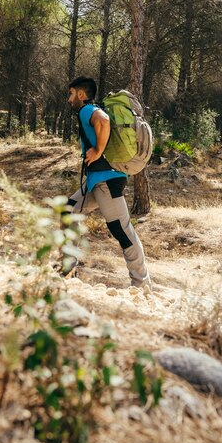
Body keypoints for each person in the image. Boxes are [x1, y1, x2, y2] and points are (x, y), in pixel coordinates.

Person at [66, 75, 152, 290]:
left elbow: (103, 120)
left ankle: (141, 284)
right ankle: (67, 271)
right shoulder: (86, 110)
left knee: (121, 230)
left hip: (106, 181)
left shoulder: (87, 109)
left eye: (71, 94)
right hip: (98, 181)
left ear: (81, 94)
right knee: (68, 211)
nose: (69, 99)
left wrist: (98, 151)